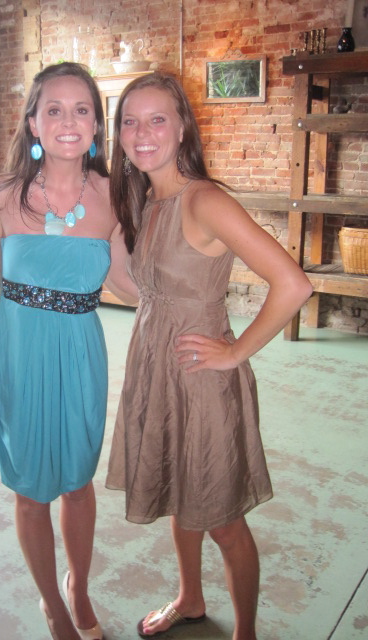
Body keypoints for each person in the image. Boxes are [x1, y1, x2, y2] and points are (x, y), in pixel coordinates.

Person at [105, 72, 313, 640]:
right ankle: (190, 599)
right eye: (130, 121)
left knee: (222, 518)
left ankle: (244, 633)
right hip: (157, 369)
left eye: (157, 120)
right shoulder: (148, 200)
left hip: (201, 379)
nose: (142, 133)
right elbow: (145, 290)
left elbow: (293, 284)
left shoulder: (205, 201)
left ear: (182, 129)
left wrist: (235, 351)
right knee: (179, 490)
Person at [0, 61, 133, 640]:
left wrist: (187, 300)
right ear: (33, 123)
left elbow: (127, 282)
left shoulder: (114, 196)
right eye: (54, 110)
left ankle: (78, 586)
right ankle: (51, 603)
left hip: (81, 355)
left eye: (82, 109)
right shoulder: (1, 195)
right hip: (17, 355)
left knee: (78, 484)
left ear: (97, 125)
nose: (68, 121)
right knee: (31, 490)